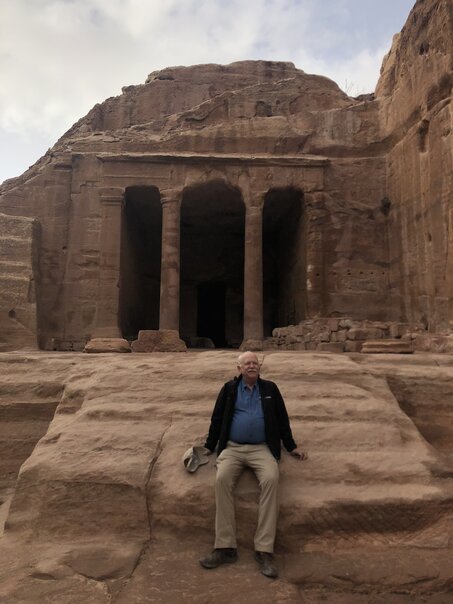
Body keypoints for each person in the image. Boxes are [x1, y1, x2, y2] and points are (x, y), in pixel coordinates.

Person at [199, 351, 307, 579]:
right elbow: (217, 418)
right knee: (221, 479)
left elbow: (282, 418)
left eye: (254, 363)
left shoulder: (270, 389)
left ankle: (264, 550)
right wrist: (210, 445)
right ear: (239, 368)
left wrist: (291, 446)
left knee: (271, 479)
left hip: (262, 448)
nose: (251, 366)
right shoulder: (229, 389)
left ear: (259, 367)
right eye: (247, 363)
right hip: (233, 448)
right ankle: (225, 547)